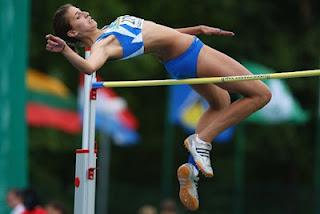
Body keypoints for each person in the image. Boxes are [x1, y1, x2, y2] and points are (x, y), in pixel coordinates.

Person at [46, 4, 271, 211]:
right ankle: (201, 141)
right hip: (190, 54)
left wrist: (197, 29)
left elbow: (157, 33)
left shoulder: (108, 29)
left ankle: (192, 169)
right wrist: (67, 51)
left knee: (221, 103)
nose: (85, 14)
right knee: (261, 94)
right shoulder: (102, 46)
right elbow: (89, 67)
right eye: (78, 16)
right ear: (73, 33)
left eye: (81, 11)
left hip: (179, 58)